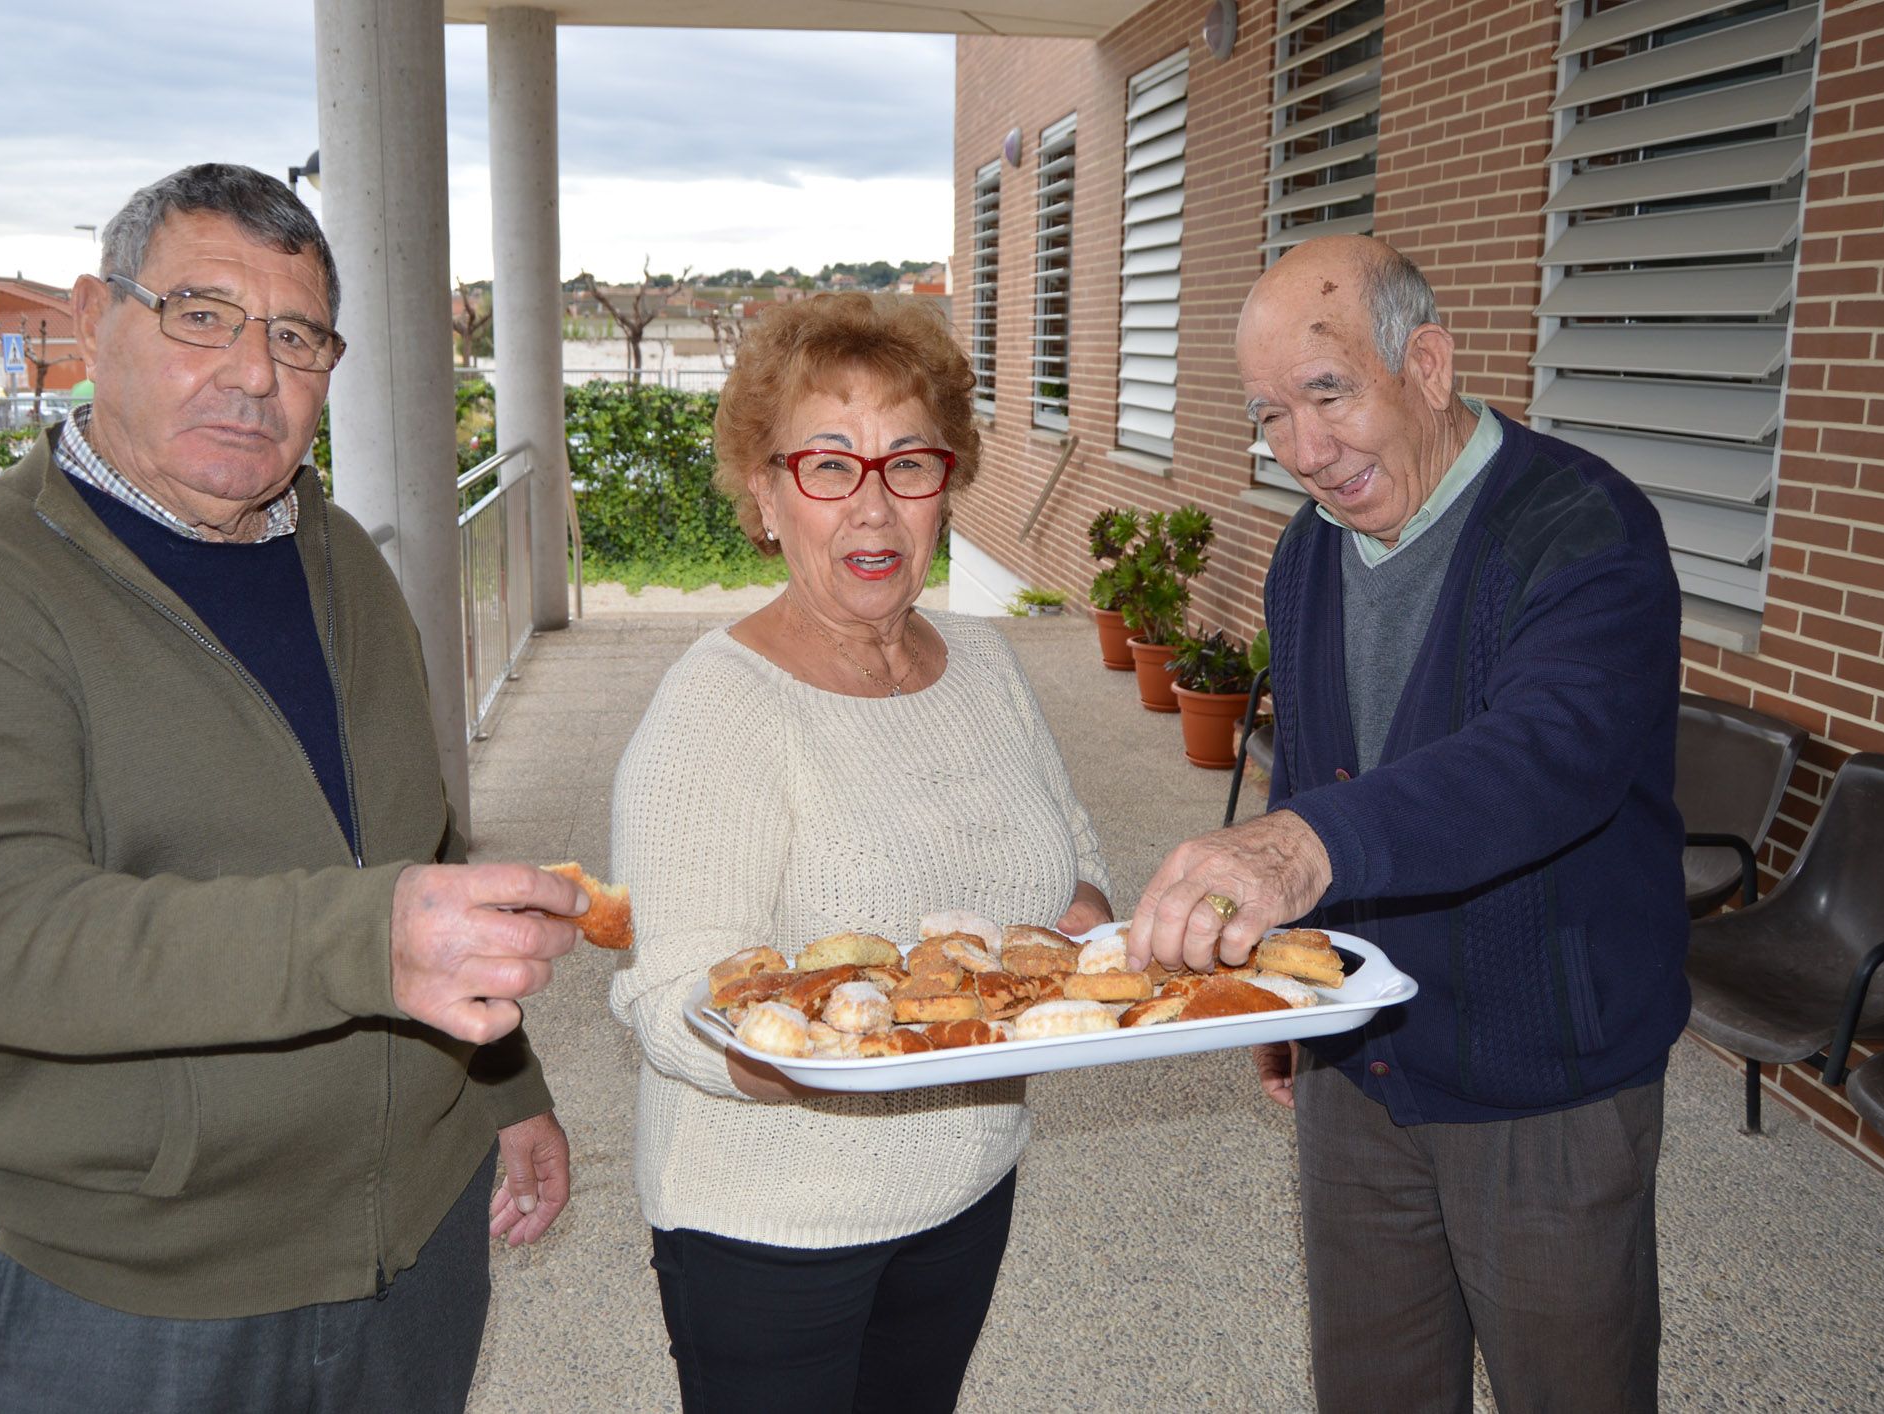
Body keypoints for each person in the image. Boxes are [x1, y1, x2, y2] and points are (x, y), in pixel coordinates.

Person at [0, 164, 582, 1413]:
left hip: (416, 1237)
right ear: (93, 315)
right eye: (200, 315)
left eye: (295, 336)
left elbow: (421, 847)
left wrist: (509, 1090)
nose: (251, 371)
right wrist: (366, 937)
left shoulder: (341, 555)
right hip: (139, 1286)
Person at [1126, 235, 1687, 1413]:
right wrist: (1285, 981)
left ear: (1425, 363)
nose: (1304, 452)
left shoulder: (1581, 527)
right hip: (1356, 1063)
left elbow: (1547, 759)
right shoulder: (1307, 549)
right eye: (1269, 416)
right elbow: (1310, 769)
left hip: (1544, 1079)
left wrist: (1298, 850)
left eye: (1327, 393)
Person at [608, 292, 1113, 1413]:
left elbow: (1072, 861)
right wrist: (800, 1049)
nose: (873, 509)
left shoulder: (985, 668)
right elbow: (660, 996)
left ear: (948, 482)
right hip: (772, 1225)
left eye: (908, 463)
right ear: (764, 494)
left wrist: (1080, 944)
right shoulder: (715, 711)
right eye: (828, 465)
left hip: (969, 1173)